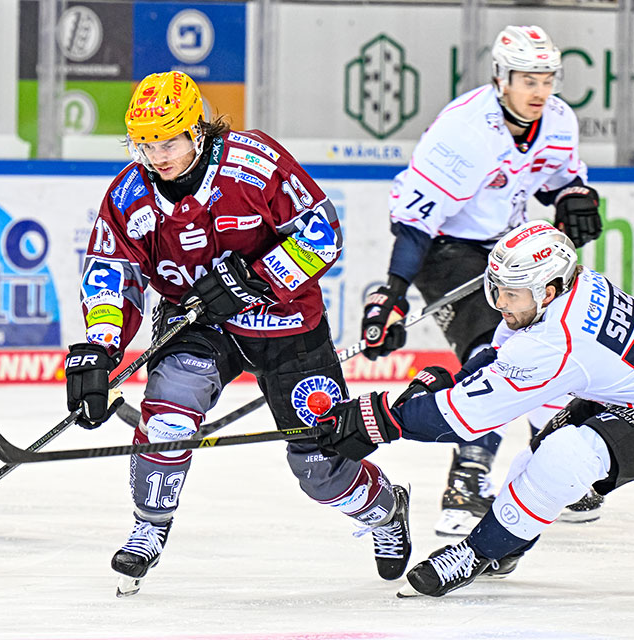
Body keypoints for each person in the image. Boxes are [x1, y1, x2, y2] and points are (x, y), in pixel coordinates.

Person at [67, 70, 412, 597]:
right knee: (168, 414)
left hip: (287, 321)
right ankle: (149, 527)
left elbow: (322, 234)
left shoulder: (254, 165)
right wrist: (98, 347)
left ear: (197, 132)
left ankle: (386, 510)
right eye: (145, 143)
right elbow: (111, 272)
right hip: (199, 325)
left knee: (320, 465)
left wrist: (254, 279)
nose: (156, 155)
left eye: (169, 141)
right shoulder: (128, 195)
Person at [317, 221, 634, 597]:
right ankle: (507, 546)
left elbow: (461, 420)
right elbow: (501, 353)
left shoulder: (557, 339)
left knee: (564, 457)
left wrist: (376, 418)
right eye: (495, 289)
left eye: (510, 294)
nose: (499, 303)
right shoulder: (571, 287)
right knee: (535, 456)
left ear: (547, 291)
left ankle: (477, 553)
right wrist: (458, 378)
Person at [360, 25, 604, 535]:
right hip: (445, 249)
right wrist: (394, 293)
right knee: (491, 351)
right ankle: (465, 486)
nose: (539, 91)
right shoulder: (464, 132)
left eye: (547, 79)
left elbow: (559, 178)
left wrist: (574, 197)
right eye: (527, 80)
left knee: (553, 339)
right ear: (501, 77)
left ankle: (550, 467)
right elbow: (415, 221)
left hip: (509, 248)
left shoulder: (559, 120)